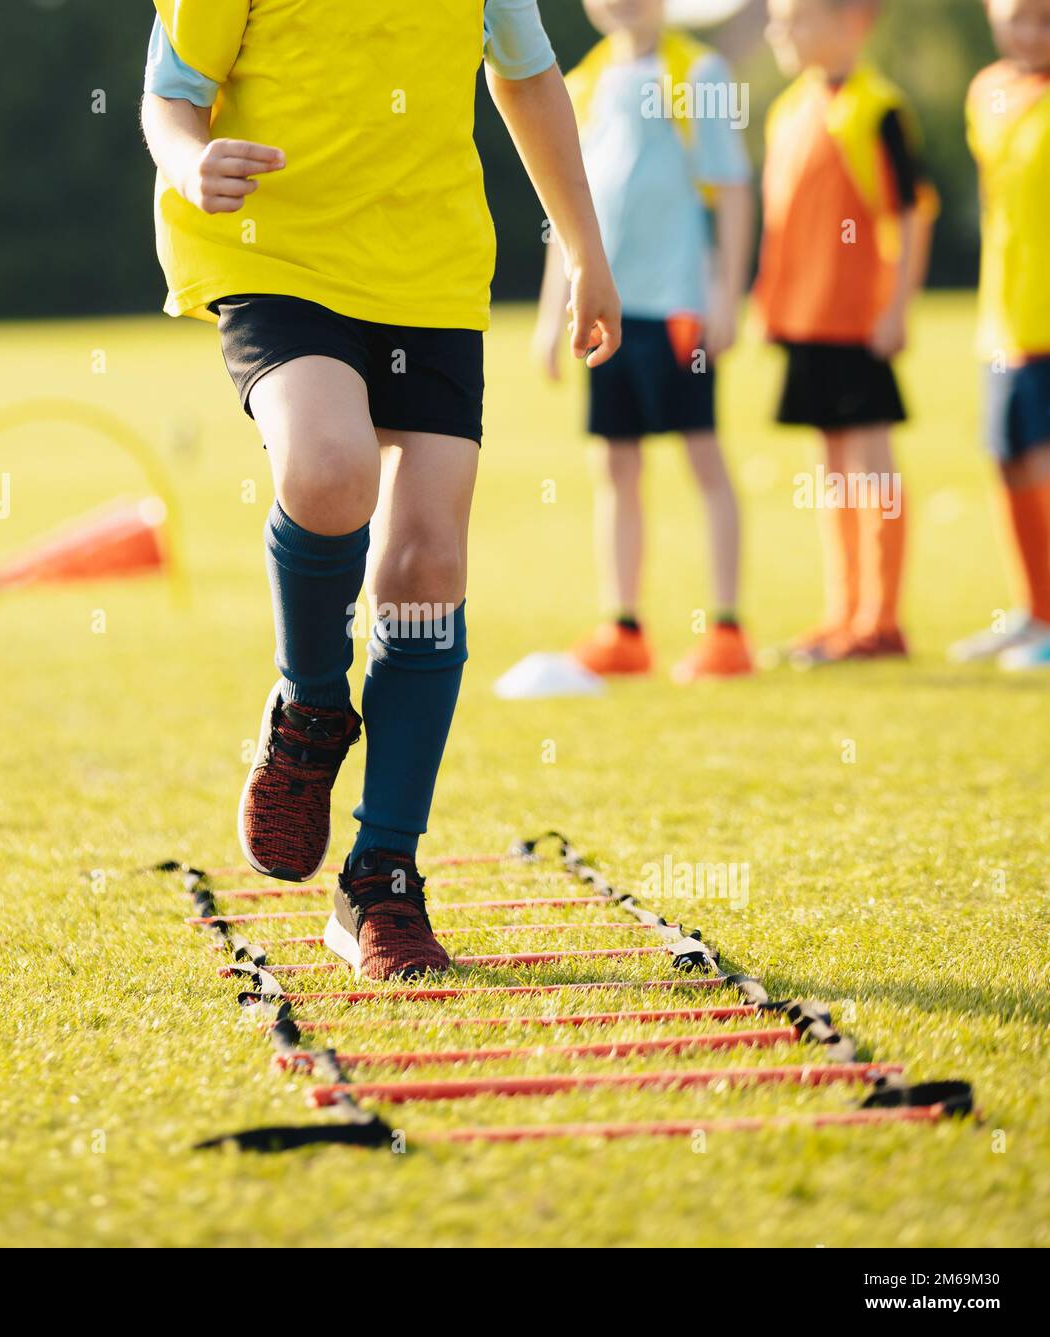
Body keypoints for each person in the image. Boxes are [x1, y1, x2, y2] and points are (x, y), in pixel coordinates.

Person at [140, 2, 622, 978]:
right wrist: (191, 161)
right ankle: (310, 710)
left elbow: (526, 77)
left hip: (426, 271)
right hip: (276, 256)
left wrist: (583, 250)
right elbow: (166, 97)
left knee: (428, 562)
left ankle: (383, 875)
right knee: (328, 470)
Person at [536, 0, 756, 682]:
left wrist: (728, 292)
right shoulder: (580, 82)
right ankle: (623, 625)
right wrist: (552, 313)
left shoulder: (701, 72)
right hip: (609, 309)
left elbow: (735, 191)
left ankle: (726, 629)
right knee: (615, 466)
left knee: (703, 458)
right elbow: (565, 207)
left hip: (681, 305)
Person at [756, 0, 934, 664]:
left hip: (858, 321)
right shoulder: (786, 112)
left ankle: (881, 620)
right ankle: (842, 614)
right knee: (830, 471)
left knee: (872, 466)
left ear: (851, 19)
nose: (780, 31)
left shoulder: (877, 108)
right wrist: (766, 296)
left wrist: (897, 309)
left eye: (795, 17)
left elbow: (913, 211)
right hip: (804, 321)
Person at [950, 0, 1050, 670]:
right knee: (1008, 459)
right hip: (1002, 316)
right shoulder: (986, 91)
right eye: (1018, 15)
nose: (1031, 31)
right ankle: (1033, 611)